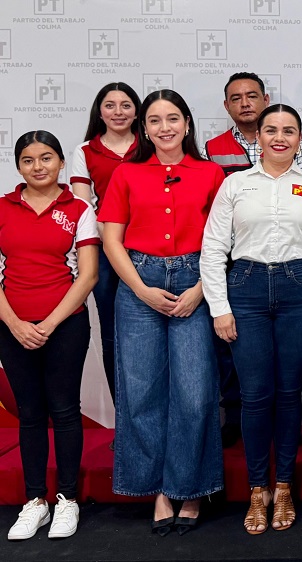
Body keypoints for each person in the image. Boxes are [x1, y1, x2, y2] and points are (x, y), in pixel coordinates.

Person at [202, 104, 302, 534]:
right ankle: (256, 488)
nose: (279, 137)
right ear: (258, 137)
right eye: (271, 130)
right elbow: (213, 250)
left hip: (300, 289)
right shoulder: (235, 185)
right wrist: (220, 308)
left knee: (287, 392)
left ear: (300, 139)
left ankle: (283, 486)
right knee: (254, 395)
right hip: (244, 290)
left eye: (288, 131)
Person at [99, 89, 225, 536]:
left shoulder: (211, 173)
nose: (164, 127)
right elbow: (112, 240)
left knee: (194, 392)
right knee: (142, 393)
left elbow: (223, 242)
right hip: (139, 283)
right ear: (144, 129)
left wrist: (200, 290)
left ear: (188, 124)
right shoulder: (126, 175)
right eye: (155, 120)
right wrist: (141, 289)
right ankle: (157, 490)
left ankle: (191, 489)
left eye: (173, 118)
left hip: (195, 282)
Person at [1, 131, 98, 540]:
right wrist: (16, 324)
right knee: (30, 413)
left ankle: (67, 500)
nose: (37, 166)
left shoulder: (78, 208)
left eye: (46, 158)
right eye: (28, 159)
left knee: (63, 410)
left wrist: (49, 324)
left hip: (66, 325)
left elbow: (89, 274)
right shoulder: (2, 208)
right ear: (18, 165)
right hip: (12, 327)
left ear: (61, 163)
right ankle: (36, 500)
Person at [69, 82, 141, 422]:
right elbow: (84, 209)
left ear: (137, 111)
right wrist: (113, 238)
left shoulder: (151, 144)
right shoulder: (85, 151)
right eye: (110, 105)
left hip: (150, 251)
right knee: (114, 337)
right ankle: (126, 421)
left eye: (125, 105)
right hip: (106, 254)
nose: (118, 112)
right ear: (100, 112)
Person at [205, 72, 302, 175]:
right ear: (227, 106)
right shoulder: (210, 150)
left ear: (266, 100)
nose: (245, 104)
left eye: (252, 96)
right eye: (236, 99)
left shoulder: (292, 144)